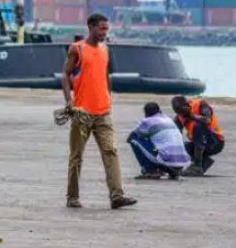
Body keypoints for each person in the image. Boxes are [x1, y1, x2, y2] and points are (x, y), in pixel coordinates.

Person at [61, 12, 137, 209]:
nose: (105, 32)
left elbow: (104, 76)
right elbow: (65, 74)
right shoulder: (77, 49)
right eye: (102, 28)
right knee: (76, 156)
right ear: (91, 27)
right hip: (82, 113)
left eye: (106, 29)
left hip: (103, 112)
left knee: (111, 151)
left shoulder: (105, 50)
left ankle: (117, 196)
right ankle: (72, 197)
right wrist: (69, 100)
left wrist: (108, 98)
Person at [126, 102, 191, 179]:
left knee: (134, 139)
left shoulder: (147, 121)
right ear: (159, 111)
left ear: (146, 112)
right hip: (181, 161)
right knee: (159, 140)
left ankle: (151, 171)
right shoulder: (167, 118)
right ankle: (171, 170)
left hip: (167, 160)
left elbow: (133, 134)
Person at [171, 95, 225, 176]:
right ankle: (204, 161)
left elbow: (207, 120)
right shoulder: (179, 117)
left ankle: (198, 166)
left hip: (215, 142)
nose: (182, 114)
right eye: (178, 112)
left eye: (182, 111)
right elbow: (175, 135)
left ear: (187, 104)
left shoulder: (200, 104)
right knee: (183, 147)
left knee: (198, 126)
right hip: (198, 143)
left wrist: (192, 116)